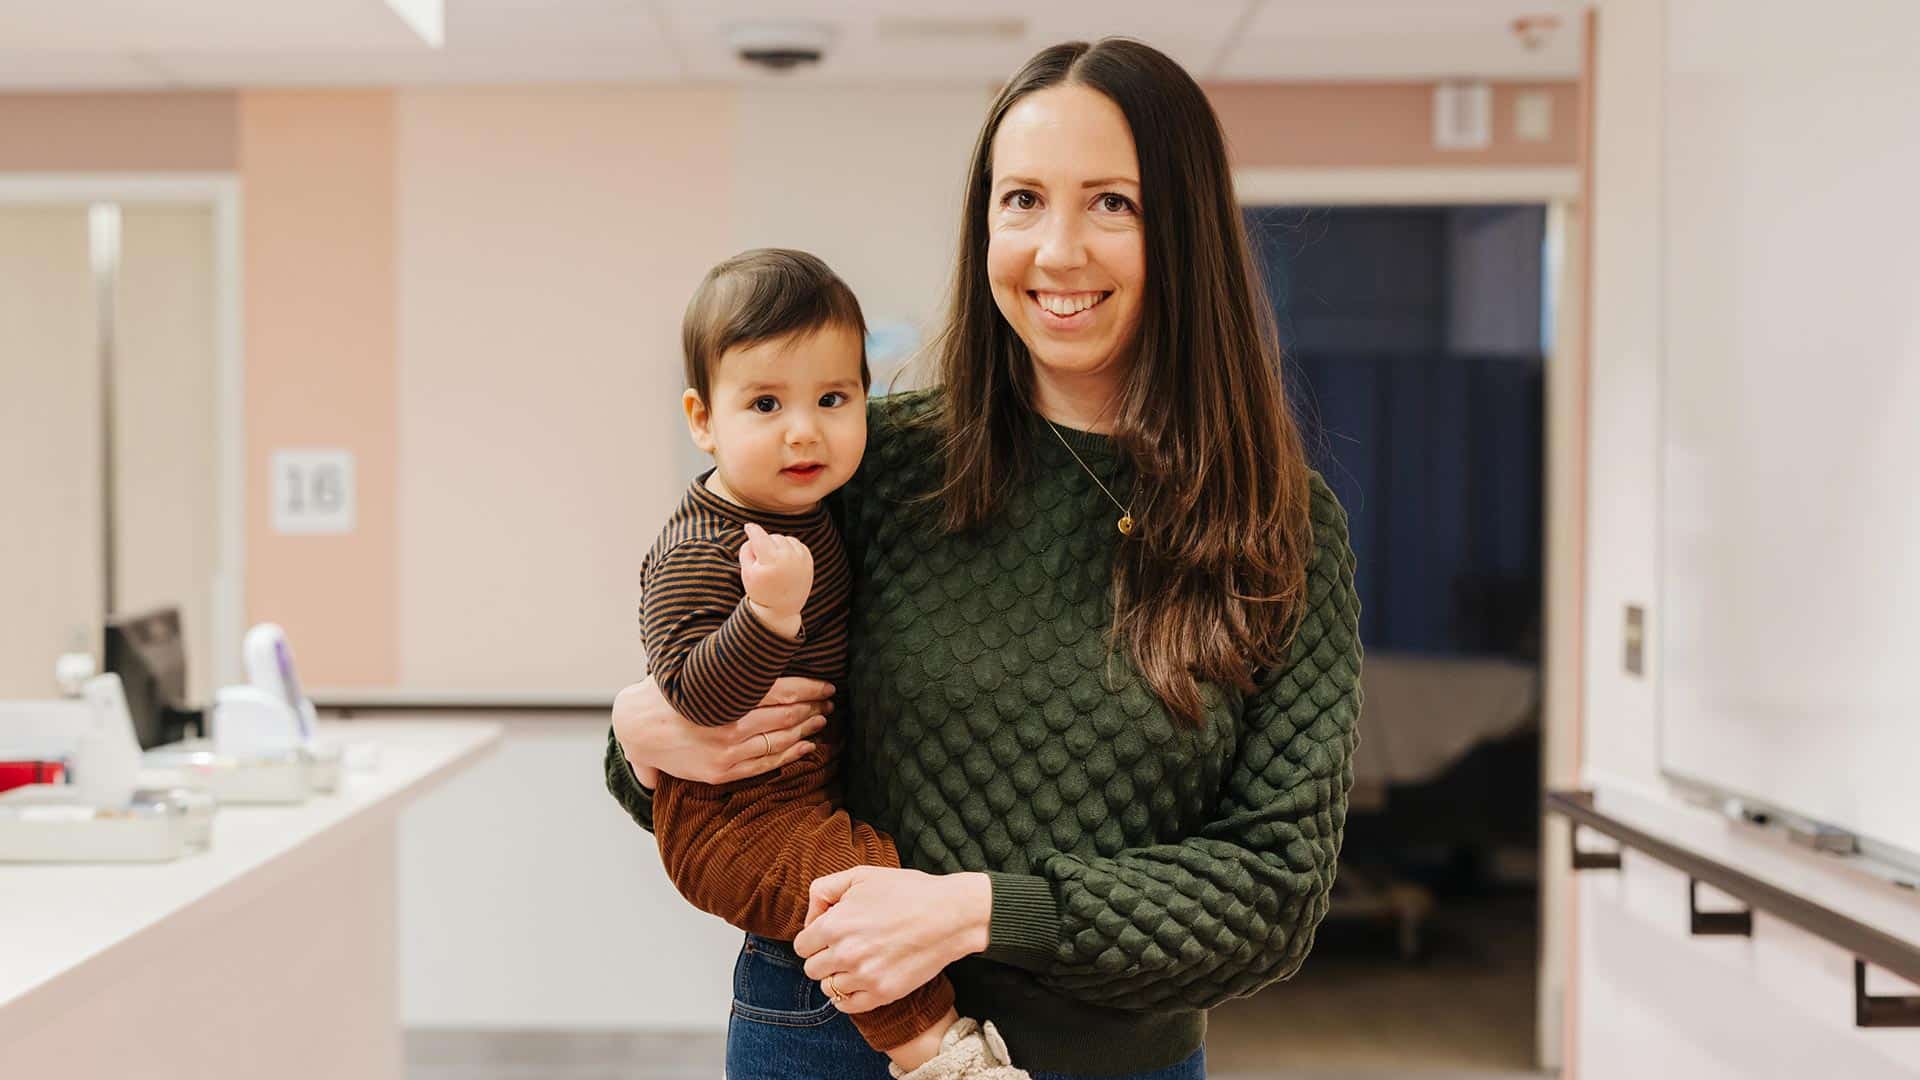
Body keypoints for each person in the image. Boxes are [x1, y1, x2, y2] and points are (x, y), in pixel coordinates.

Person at [606, 37, 1363, 1080]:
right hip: (830, 1031)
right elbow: (708, 761)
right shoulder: (870, 470)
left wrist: (976, 911)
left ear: (1183, 229)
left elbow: (1276, 890)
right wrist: (640, 730)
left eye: (1113, 204)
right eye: (1021, 201)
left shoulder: (1280, 526)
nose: (1057, 250)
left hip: (1117, 1058)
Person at [635, 247, 1028, 1080]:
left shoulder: (817, 507)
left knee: (861, 875)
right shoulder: (701, 548)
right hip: (731, 818)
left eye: (833, 398)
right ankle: (941, 1057)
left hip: (797, 798)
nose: (804, 428)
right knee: (858, 893)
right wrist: (768, 616)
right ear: (703, 420)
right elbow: (694, 698)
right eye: (766, 403)